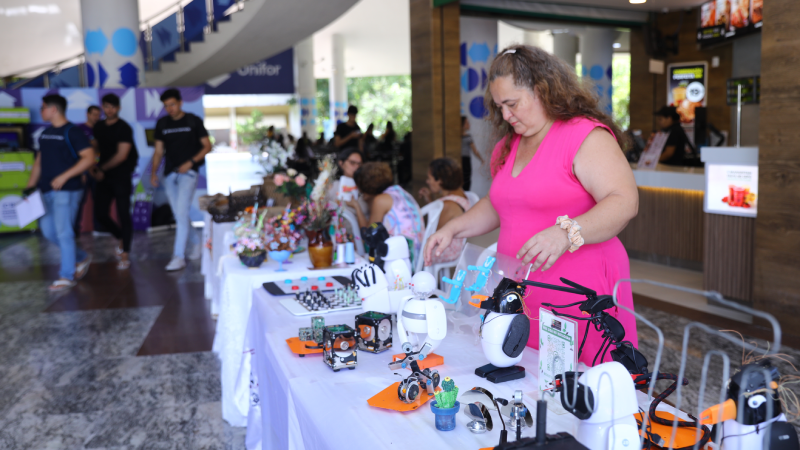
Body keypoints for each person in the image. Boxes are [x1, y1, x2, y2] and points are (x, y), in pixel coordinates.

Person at [423, 45, 639, 367]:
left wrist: (566, 233)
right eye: (500, 107)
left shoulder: (583, 135)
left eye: (512, 104)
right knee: (528, 377)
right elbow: (501, 204)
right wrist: (453, 227)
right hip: (524, 286)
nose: (506, 115)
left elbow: (624, 201)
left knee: (578, 379)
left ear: (542, 90)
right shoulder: (508, 144)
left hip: (578, 290)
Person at [25, 94, 94, 291]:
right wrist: (30, 187)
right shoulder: (45, 133)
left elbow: (89, 158)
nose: (41, 111)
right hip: (45, 191)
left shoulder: (73, 132)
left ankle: (67, 275)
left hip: (68, 190)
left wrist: (65, 176)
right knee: (49, 232)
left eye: (43, 108)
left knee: (64, 233)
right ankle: (82, 257)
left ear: (53, 109)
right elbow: (39, 162)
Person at [151, 88, 212, 271]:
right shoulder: (162, 123)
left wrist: (191, 162)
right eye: (166, 105)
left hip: (189, 173)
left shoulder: (193, 120)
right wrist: (154, 172)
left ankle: (178, 256)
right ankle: (196, 241)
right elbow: (159, 151)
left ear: (180, 103)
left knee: (180, 213)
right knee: (180, 214)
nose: (169, 108)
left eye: (172, 104)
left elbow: (207, 146)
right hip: (169, 174)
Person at [91, 93, 138, 270]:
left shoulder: (124, 128)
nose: (109, 109)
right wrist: (93, 167)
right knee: (101, 214)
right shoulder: (99, 127)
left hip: (121, 176)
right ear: (102, 107)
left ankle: (125, 253)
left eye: (112, 106)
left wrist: (102, 169)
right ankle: (121, 237)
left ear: (118, 108)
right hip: (103, 176)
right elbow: (95, 150)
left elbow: (122, 155)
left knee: (123, 213)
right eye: (106, 106)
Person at [349, 162, 424, 265]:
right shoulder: (401, 192)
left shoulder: (380, 200)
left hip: (405, 260)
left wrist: (357, 207)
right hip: (419, 255)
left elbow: (368, 237)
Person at [417, 158, 471, 265]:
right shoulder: (460, 193)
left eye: (430, 178)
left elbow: (433, 232)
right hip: (454, 244)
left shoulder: (448, 205)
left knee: (412, 251)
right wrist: (430, 201)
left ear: (440, 180)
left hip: (446, 249)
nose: (427, 182)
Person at [74, 105, 101, 234]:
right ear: (87, 114)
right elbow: (76, 152)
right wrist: (83, 171)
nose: (96, 117)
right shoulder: (79, 129)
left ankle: (98, 227)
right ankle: (75, 229)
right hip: (84, 170)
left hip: (98, 170)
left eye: (98, 115)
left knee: (100, 200)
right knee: (80, 200)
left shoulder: (102, 129)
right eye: (94, 114)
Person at [461, 116, 485, 191]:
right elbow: (475, 151)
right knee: (466, 179)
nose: (469, 124)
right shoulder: (467, 137)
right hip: (464, 160)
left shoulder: (467, 137)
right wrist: (481, 159)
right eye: (467, 122)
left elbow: (475, 151)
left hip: (462, 160)